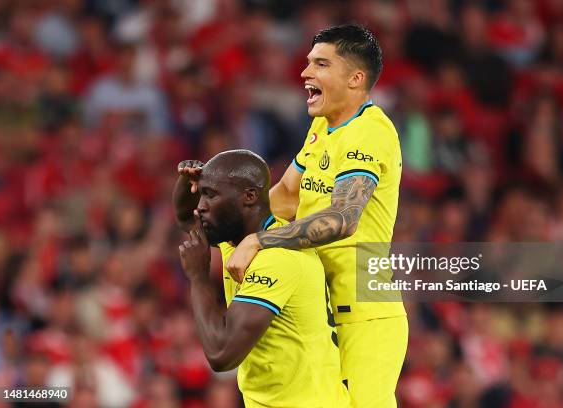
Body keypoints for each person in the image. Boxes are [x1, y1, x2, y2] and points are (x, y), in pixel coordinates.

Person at [226, 24, 408, 407]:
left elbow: (343, 218)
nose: (306, 73)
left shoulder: (371, 133)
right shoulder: (323, 126)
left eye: (321, 64)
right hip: (322, 316)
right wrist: (226, 217)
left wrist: (258, 239)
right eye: (308, 62)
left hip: (364, 317)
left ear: (356, 78)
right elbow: (287, 195)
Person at [173, 151, 349, 408]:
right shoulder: (236, 239)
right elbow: (185, 217)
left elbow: (221, 355)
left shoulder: (277, 259)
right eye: (201, 194)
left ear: (249, 197)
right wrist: (185, 181)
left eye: (210, 195)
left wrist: (199, 277)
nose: (200, 205)